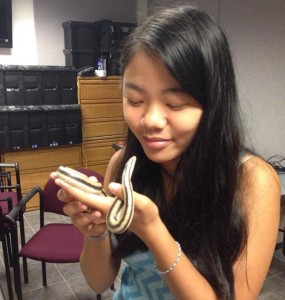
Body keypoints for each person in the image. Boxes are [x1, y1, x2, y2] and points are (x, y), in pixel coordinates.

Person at [51, 5, 280, 300]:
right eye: (134, 100)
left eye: (174, 104)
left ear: (212, 103)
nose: (150, 121)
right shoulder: (122, 165)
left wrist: (153, 231)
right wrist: (94, 233)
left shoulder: (253, 181)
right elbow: (98, 282)